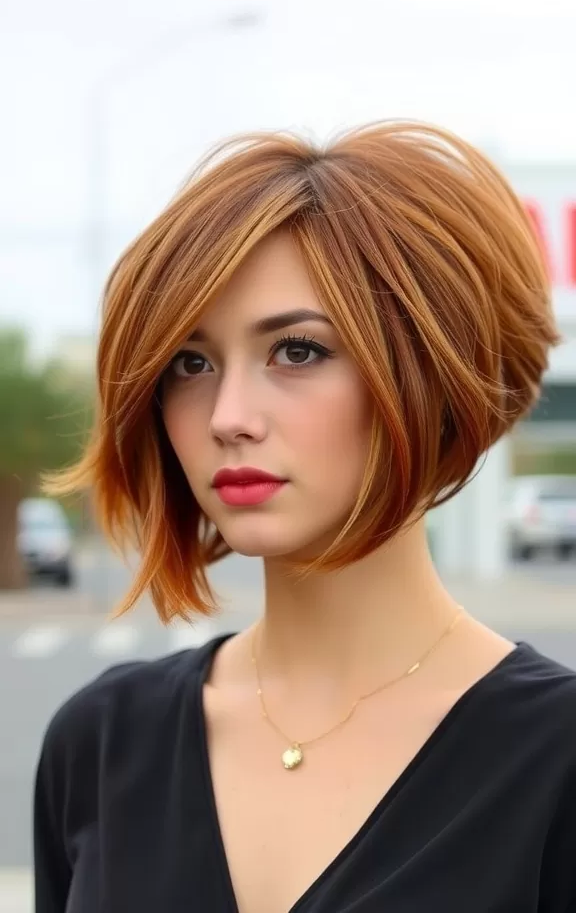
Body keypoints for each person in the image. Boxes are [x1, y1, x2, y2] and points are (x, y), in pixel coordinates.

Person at [35, 120, 575, 913]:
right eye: (191, 363)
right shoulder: (103, 743)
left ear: (430, 372)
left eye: (296, 351)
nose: (228, 415)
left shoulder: (555, 761)